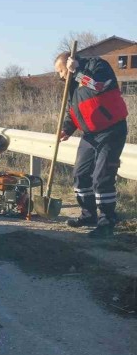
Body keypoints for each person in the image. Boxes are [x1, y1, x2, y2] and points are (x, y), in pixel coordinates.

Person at [55, 52, 129, 238]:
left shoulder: (97, 66)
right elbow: (74, 111)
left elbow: (99, 86)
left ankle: (107, 221)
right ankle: (89, 215)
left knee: (102, 177)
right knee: (80, 174)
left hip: (111, 129)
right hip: (90, 134)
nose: (61, 76)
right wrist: (66, 129)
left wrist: (77, 71)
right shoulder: (71, 84)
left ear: (69, 63)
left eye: (61, 71)